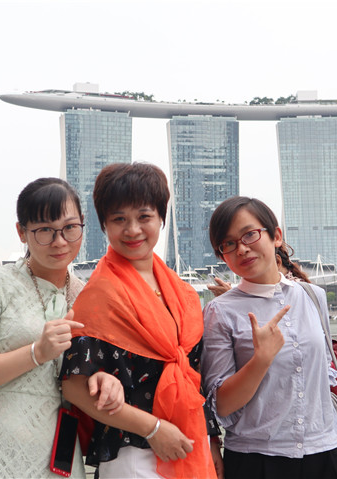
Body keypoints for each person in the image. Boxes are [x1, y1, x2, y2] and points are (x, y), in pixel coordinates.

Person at [0, 177, 125, 479]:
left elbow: (87, 373)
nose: (59, 241)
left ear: (82, 225)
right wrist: (36, 352)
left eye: (70, 228)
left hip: (58, 453)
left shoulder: (87, 296)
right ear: (21, 232)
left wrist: (105, 379)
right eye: (44, 230)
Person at [60, 162, 218, 479]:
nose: (132, 230)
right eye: (119, 219)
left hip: (188, 443)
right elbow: (74, 387)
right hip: (133, 455)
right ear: (104, 225)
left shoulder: (182, 292)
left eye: (144, 217)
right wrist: (154, 428)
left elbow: (195, 377)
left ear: (161, 218)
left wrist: (212, 445)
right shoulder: (100, 295)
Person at [201, 196, 337, 479]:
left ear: (276, 236)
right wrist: (261, 360)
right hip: (257, 460)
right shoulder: (219, 312)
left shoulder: (313, 297)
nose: (242, 248)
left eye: (249, 234)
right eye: (228, 244)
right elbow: (221, 405)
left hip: (326, 451)